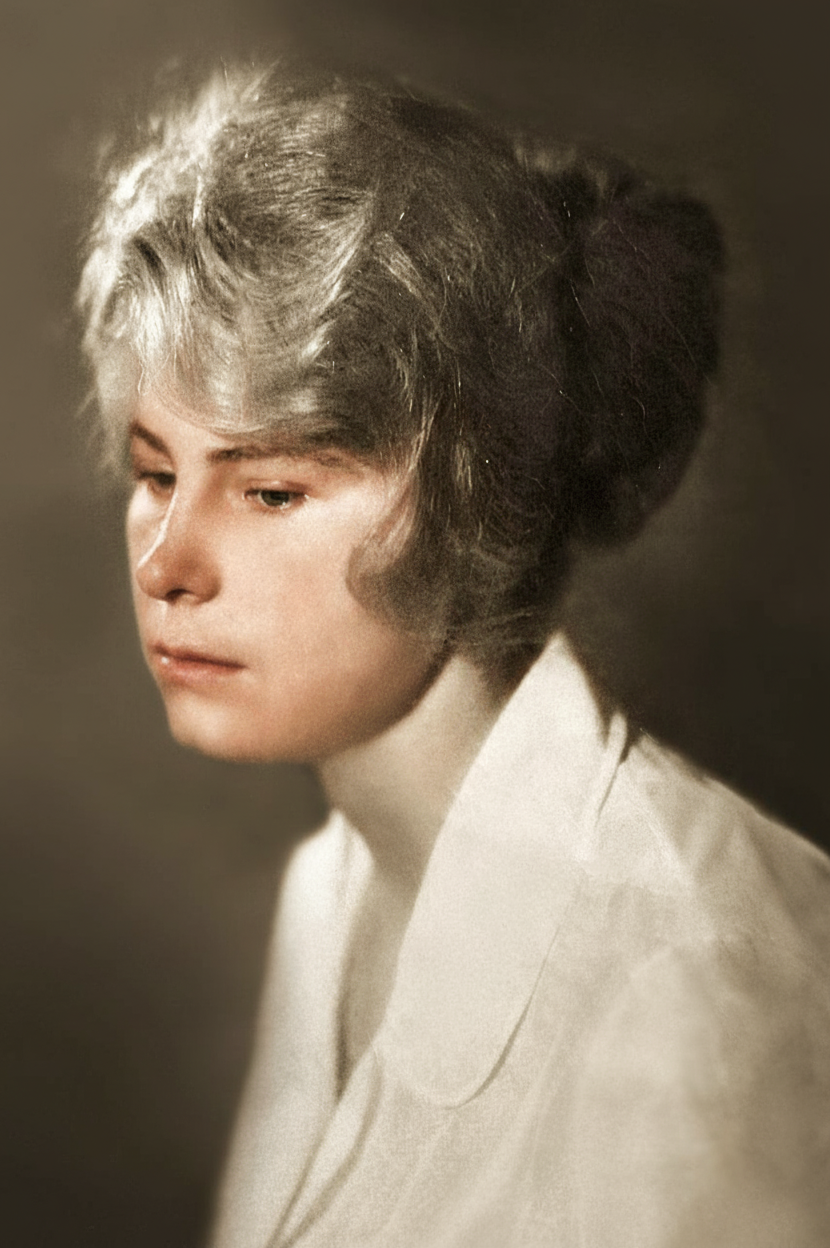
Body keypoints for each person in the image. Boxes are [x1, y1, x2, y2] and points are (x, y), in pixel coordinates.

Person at [77, 61, 830, 1247]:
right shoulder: (329, 888)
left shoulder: (698, 992)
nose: (170, 561)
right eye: (156, 473)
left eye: (271, 490)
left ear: (475, 495)